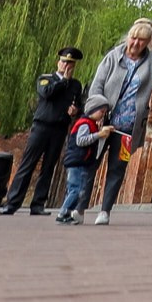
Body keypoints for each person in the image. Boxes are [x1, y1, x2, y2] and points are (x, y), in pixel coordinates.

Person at [84, 18, 152, 224]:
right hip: (103, 122)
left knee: (117, 168)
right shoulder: (113, 57)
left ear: (148, 42)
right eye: (134, 38)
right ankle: (79, 207)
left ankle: (105, 211)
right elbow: (97, 85)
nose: (136, 44)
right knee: (90, 164)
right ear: (128, 36)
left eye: (142, 41)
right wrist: (97, 110)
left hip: (128, 127)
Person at [2, 47, 86, 215]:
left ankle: (38, 204)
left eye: (70, 63)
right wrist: (63, 81)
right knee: (28, 164)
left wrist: (75, 110)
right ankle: (12, 203)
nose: (66, 66)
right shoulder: (46, 79)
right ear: (58, 62)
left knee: (48, 167)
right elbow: (47, 93)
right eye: (63, 62)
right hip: (42, 126)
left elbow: (79, 104)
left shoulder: (76, 85)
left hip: (60, 128)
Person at [54, 96, 111, 225]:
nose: (102, 115)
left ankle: (67, 212)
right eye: (101, 112)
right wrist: (99, 135)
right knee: (76, 189)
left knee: (78, 189)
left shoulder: (90, 124)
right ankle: (63, 212)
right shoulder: (85, 123)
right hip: (77, 162)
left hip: (82, 162)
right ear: (92, 109)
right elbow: (81, 140)